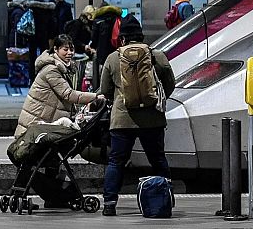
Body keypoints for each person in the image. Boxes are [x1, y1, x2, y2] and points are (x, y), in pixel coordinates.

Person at [98, 17, 175, 217]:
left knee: (116, 161)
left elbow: (105, 90)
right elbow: (169, 84)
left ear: (122, 39)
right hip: (152, 118)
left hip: (122, 119)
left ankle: (109, 203)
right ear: (142, 37)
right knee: (157, 159)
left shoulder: (113, 58)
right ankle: (166, 198)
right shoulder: (156, 56)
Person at [14, 35, 100, 139]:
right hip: (36, 124)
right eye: (65, 49)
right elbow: (68, 94)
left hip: (44, 121)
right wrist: (96, 96)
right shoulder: (51, 70)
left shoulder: (63, 68)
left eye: (71, 49)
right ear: (55, 49)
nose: (69, 53)